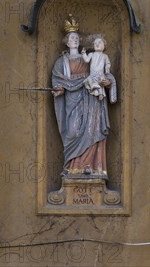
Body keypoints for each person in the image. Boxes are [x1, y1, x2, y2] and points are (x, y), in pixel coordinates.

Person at [51, 17, 115, 179]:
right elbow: (58, 81)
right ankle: (73, 166)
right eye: (72, 38)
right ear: (66, 42)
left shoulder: (89, 58)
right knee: (73, 130)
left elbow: (101, 74)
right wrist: (59, 90)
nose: (75, 40)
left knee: (92, 129)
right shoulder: (61, 62)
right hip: (72, 99)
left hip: (90, 98)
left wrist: (108, 82)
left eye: (77, 38)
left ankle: (91, 167)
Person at [81, 34, 111, 101]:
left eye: (99, 43)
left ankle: (101, 94)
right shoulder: (91, 54)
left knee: (101, 83)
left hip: (100, 74)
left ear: (104, 45)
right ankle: (95, 91)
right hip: (93, 74)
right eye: (95, 43)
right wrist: (84, 54)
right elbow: (86, 60)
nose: (97, 44)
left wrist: (107, 70)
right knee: (90, 81)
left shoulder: (105, 56)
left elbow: (108, 64)